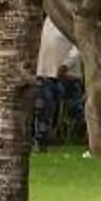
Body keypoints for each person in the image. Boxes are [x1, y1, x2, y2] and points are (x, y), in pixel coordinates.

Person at [32, 13, 86, 150]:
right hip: (46, 74)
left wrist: (66, 65)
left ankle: (90, 140)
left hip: (68, 75)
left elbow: (79, 46)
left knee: (76, 110)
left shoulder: (71, 20)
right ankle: (40, 142)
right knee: (44, 110)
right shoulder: (46, 20)